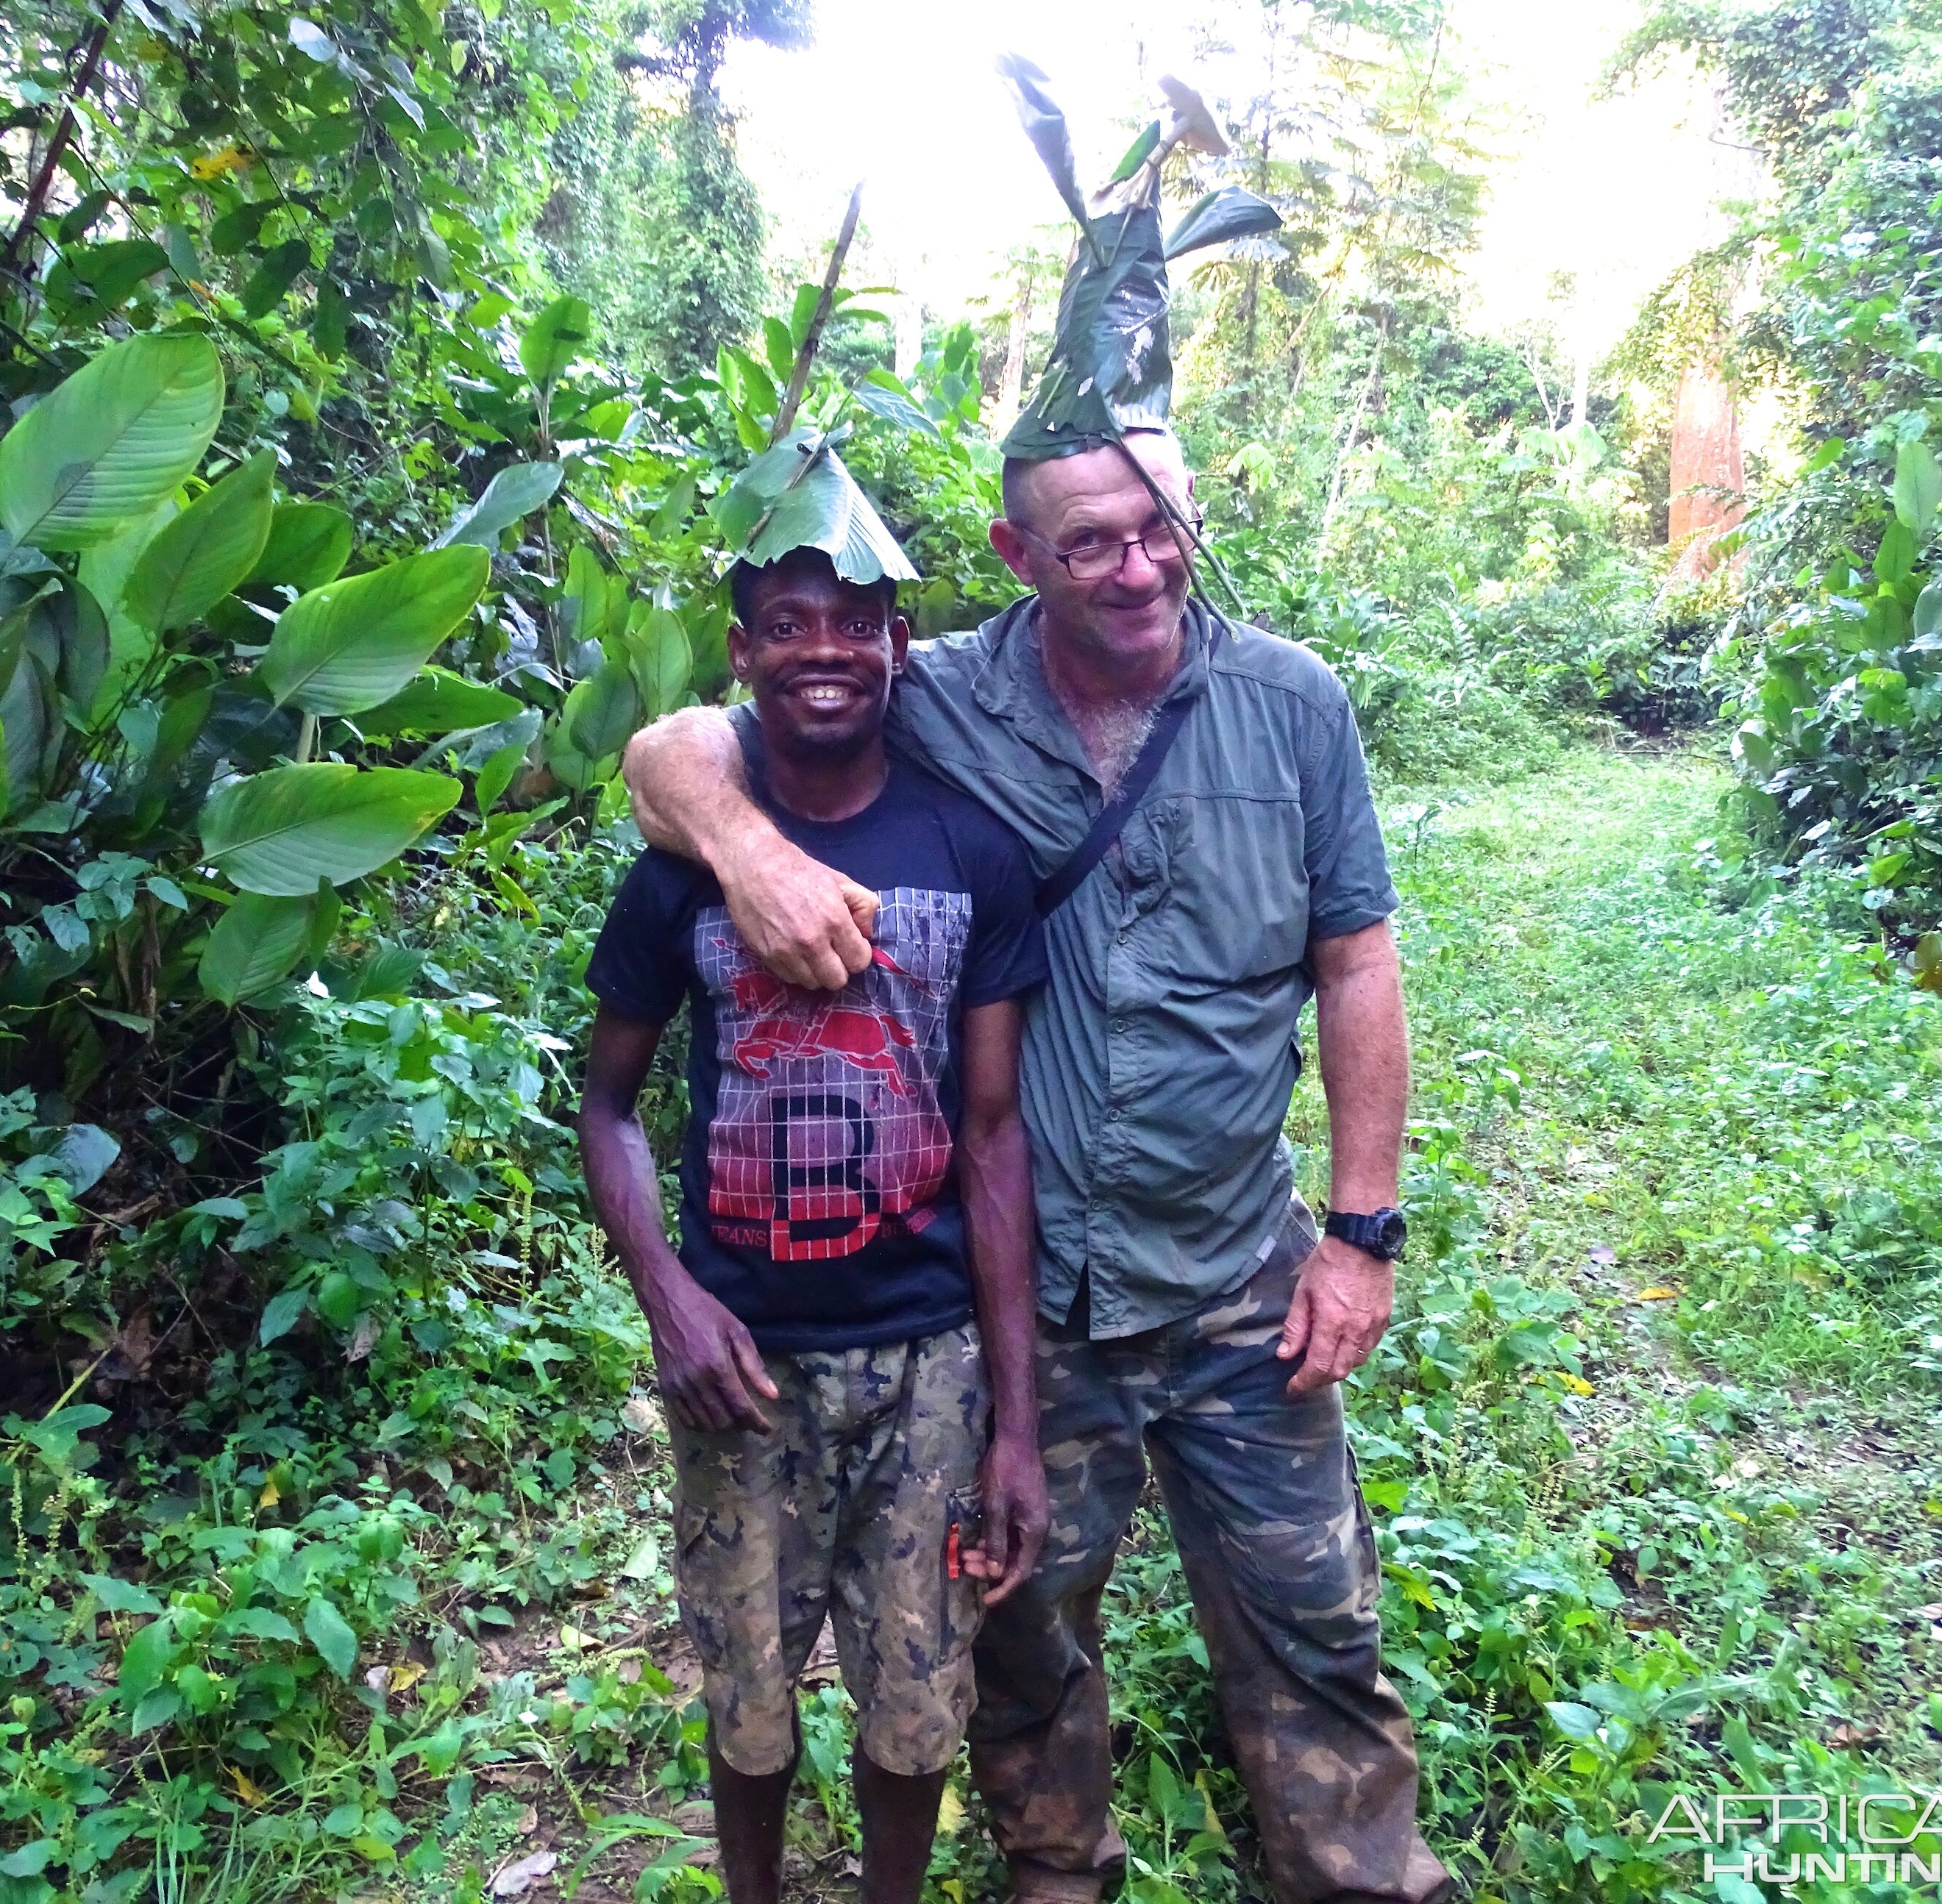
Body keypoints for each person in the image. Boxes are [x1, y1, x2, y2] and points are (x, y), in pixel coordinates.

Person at [618, 68, 1449, 1904]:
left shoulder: (1293, 702)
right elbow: (680, 743)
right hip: (1033, 1292)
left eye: (1161, 529)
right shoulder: (945, 696)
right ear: (1016, 556)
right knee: (1019, 1644)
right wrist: (750, 855)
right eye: (1093, 541)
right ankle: (1052, 1877)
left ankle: (1358, 1882)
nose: (1139, 567)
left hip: (1238, 1272)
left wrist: (1360, 1231)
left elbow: (1358, 956)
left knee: (1317, 1636)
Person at [578, 434, 1052, 1904]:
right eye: (791, 622)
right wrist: (666, 1296)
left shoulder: (972, 851)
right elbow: (605, 1101)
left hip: (924, 1358)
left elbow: (991, 1135)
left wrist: (1017, 1419)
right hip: (746, 1358)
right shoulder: (684, 870)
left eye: (857, 620)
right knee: (750, 1696)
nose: (827, 650)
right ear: (744, 650)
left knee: (915, 1704)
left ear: (901, 645)